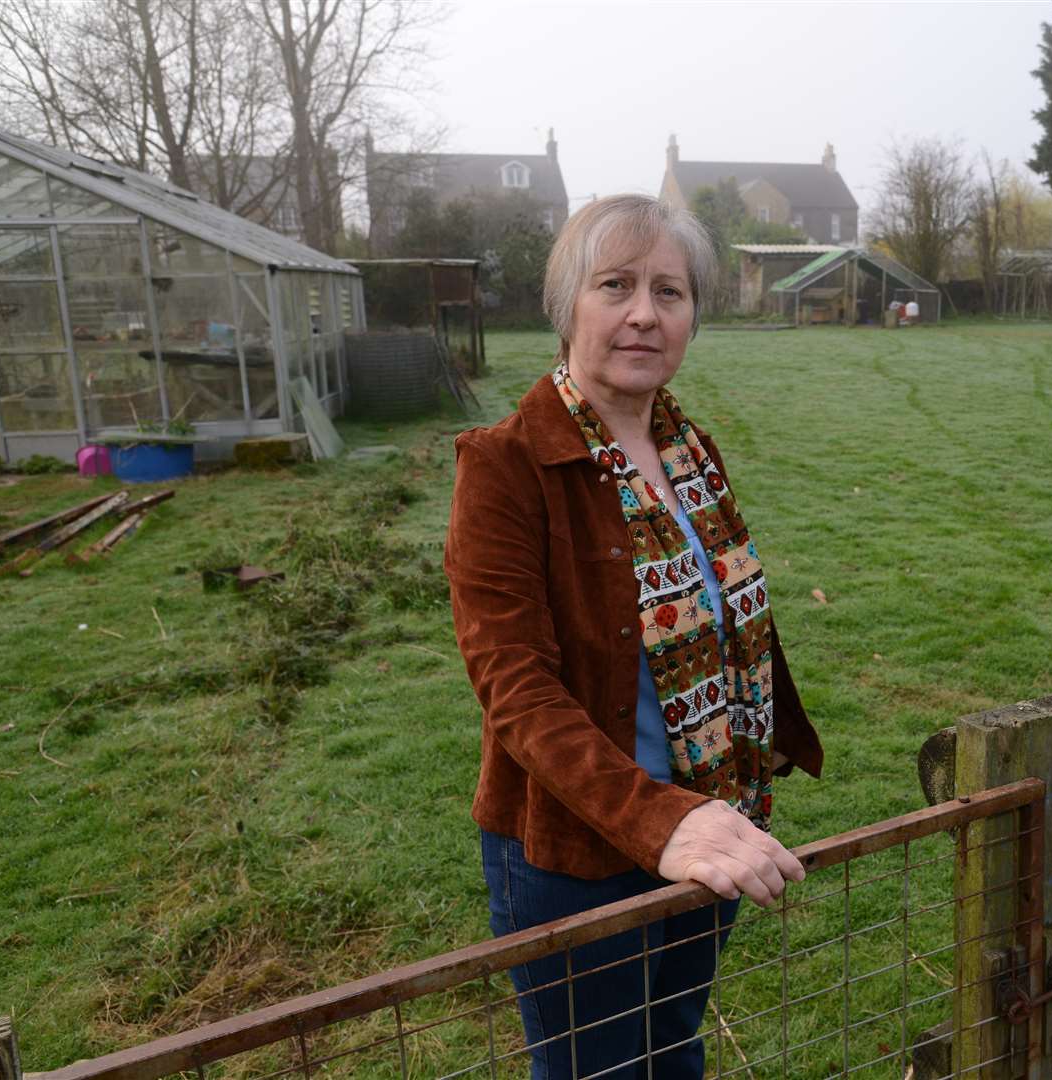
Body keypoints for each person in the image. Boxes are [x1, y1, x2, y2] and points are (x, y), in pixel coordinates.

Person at [444, 193, 824, 1080]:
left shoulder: (691, 451)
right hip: (581, 847)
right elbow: (517, 692)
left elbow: (734, 624)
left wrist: (704, 813)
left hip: (711, 827)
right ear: (568, 305)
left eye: (671, 291)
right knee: (599, 1072)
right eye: (615, 285)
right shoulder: (504, 467)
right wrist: (659, 822)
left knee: (671, 1050)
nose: (644, 313)